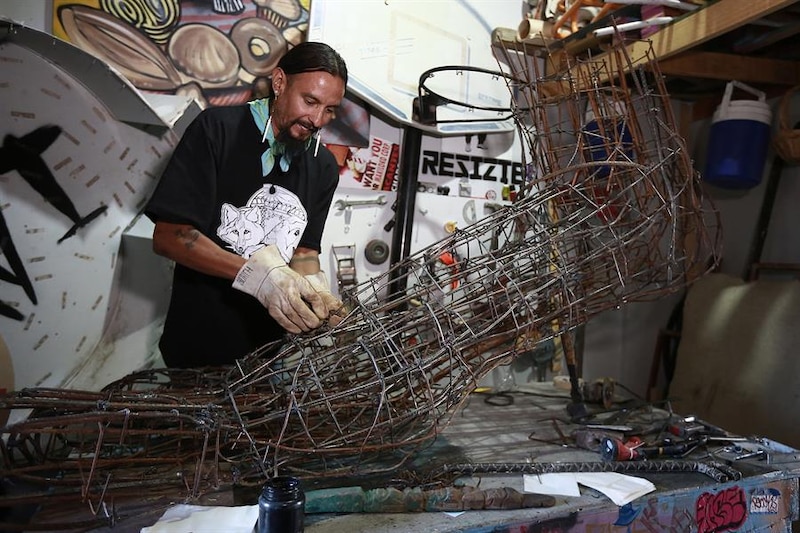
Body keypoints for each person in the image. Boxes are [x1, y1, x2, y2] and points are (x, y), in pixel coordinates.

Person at [145, 42, 348, 368]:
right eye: (310, 101)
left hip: (266, 358)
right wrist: (256, 276)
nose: (317, 119)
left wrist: (315, 288)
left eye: (329, 109)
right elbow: (170, 235)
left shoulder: (321, 166)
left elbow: (304, 252)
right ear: (279, 82)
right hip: (197, 346)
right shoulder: (217, 130)